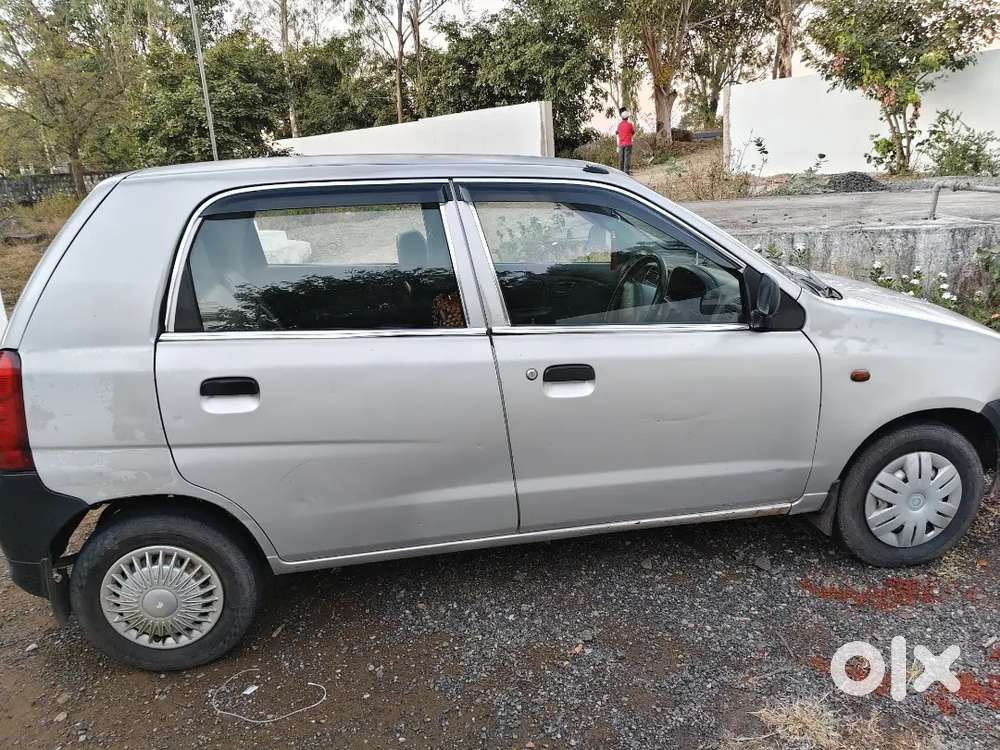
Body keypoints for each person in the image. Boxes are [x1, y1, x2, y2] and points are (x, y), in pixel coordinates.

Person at [616, 108, 635, 175]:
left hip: (621, 144)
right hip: (628, 143)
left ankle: (620, 172)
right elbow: (633, 132)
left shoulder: (619, 125)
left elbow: (617, 133)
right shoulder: (630, 124)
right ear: (627, 117)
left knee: (621, 158)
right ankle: (626, 172)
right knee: (627, 158)